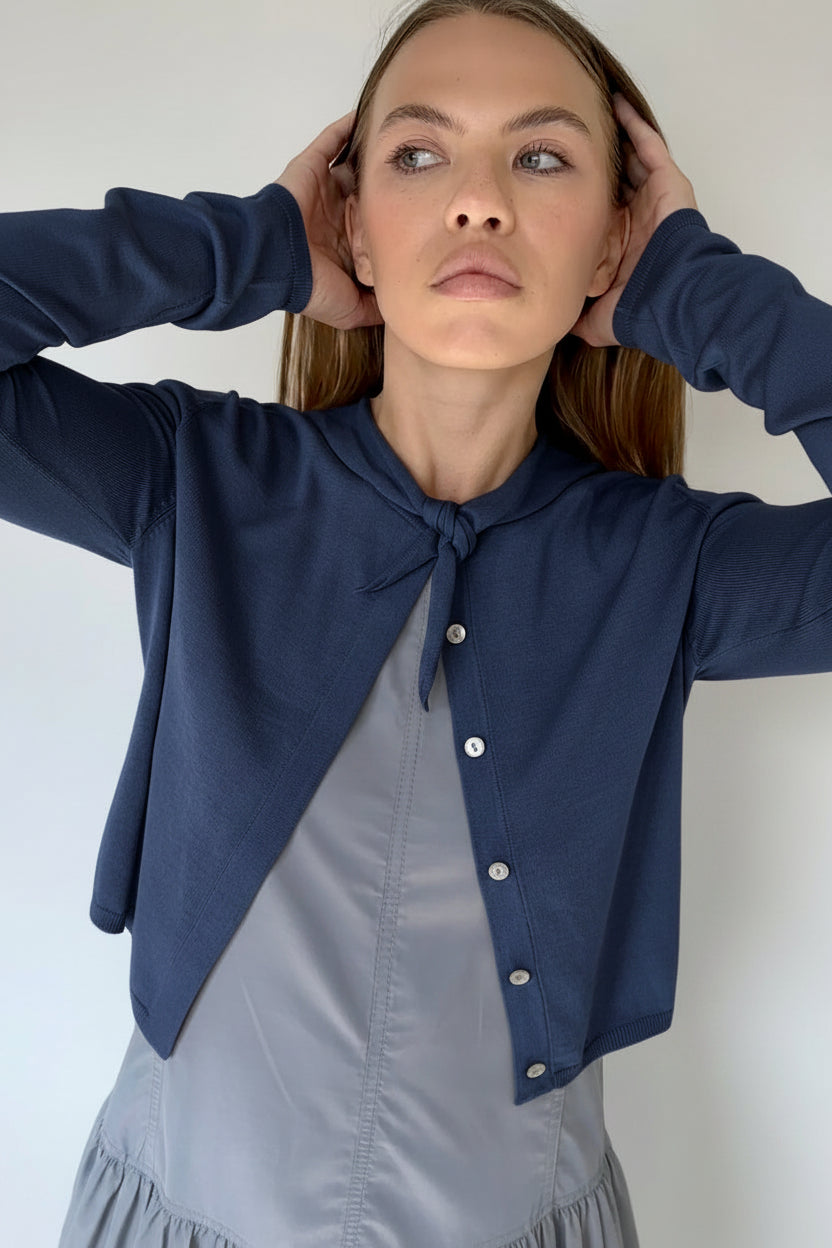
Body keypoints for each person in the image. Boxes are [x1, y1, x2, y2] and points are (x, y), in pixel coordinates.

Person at [2, 0, 830, 1245]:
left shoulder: (668, 565)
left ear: (614, 248)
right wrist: (247, 247)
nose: (479, 201)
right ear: (356, 227)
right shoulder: (195, 476)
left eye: (541, 157)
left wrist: (703, 296)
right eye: (418, 155)